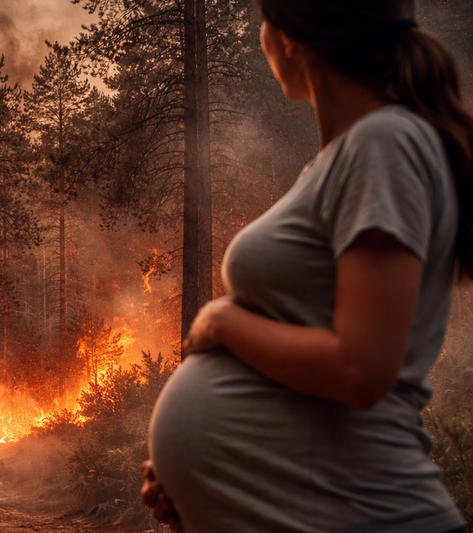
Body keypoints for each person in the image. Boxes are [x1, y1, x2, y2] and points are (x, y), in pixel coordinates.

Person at [141, 0, 473, 531]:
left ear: (290, 36)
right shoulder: (349, 154)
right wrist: (212, 490)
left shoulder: (383, 142)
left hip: (364, 510)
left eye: (262, 21)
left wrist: (223, 323)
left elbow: (360, 369)